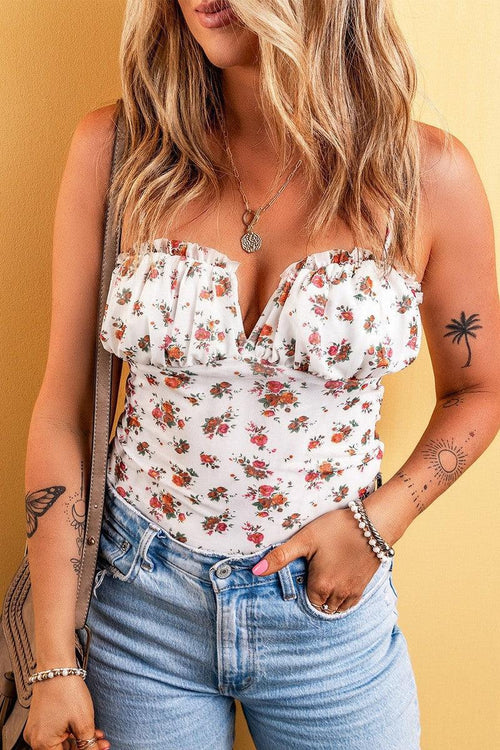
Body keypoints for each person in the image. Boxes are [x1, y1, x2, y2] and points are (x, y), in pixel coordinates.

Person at [22, 1, 500, 749]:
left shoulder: (425, 176)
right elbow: (64, 407)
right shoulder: (118, 154)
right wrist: (52, 661)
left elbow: (480, 390)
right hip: (139, 607)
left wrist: (378, 523)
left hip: (330, 617)